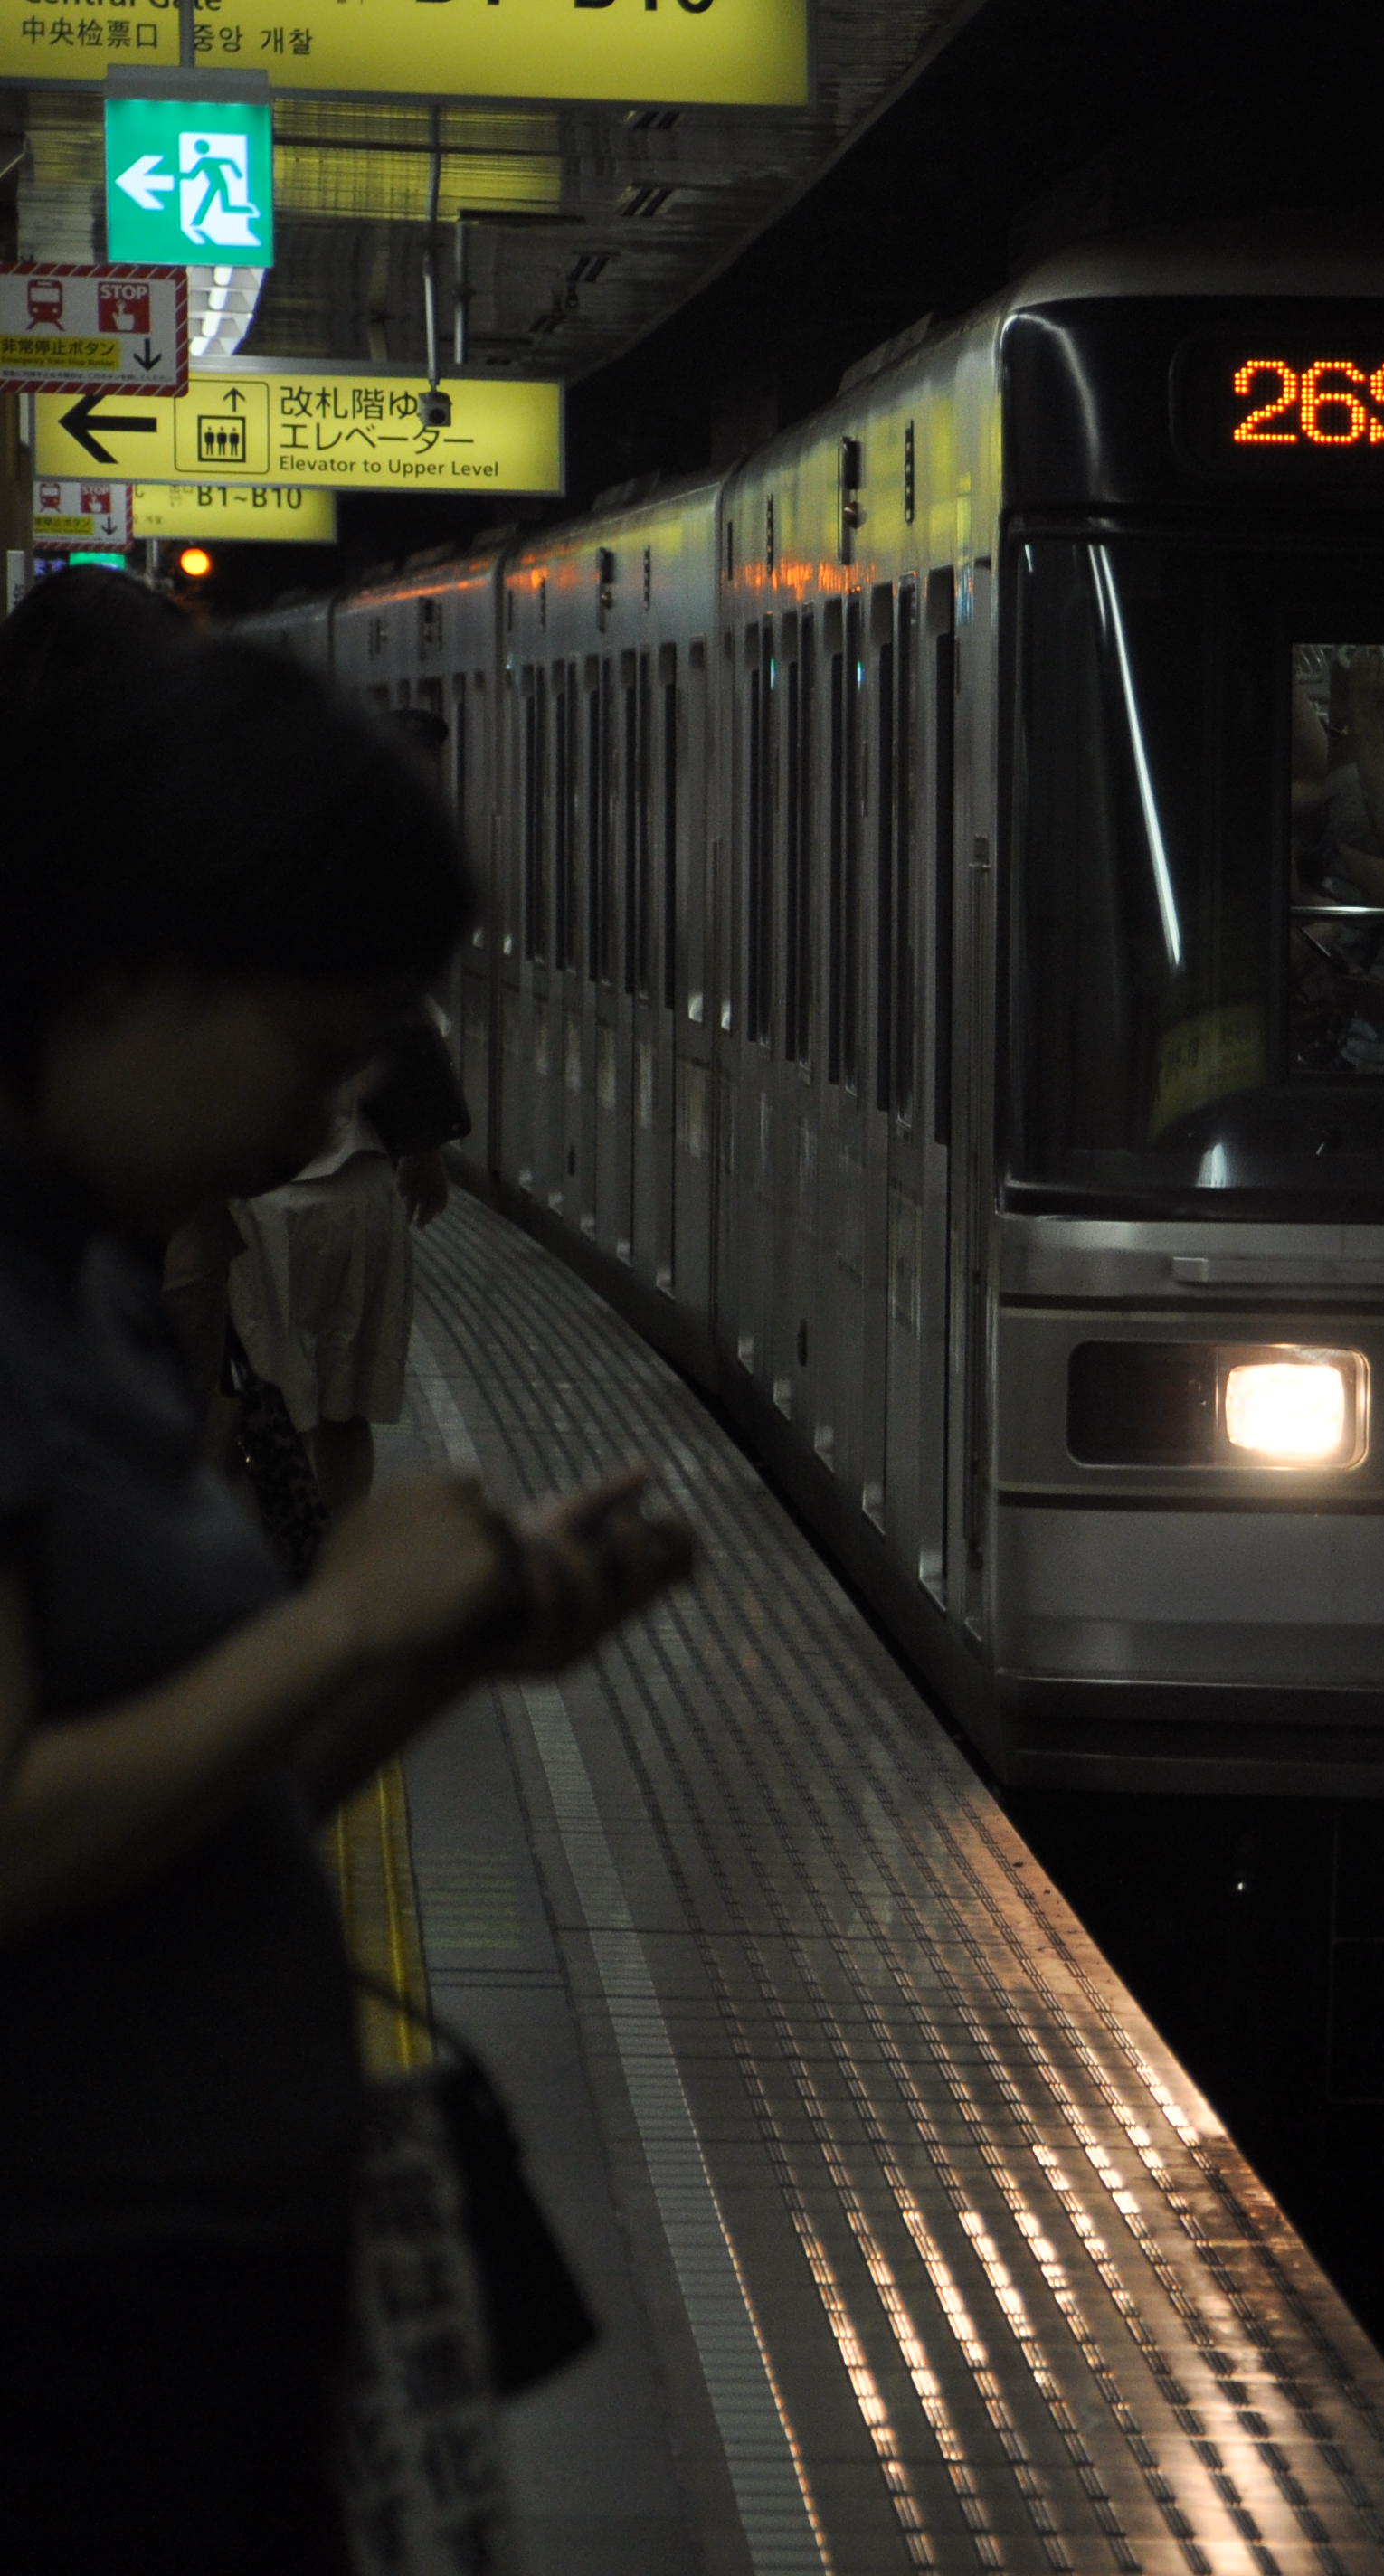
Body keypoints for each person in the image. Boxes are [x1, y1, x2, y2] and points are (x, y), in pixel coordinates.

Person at [0, 594, 694, 2571]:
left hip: (183, 2313)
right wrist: (337, 1621)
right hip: (62, 2340)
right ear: (130, 969)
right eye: (309, 1050)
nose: (325, 1118)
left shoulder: (80, 1269)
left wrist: (440, 1654)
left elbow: (185, 1809)